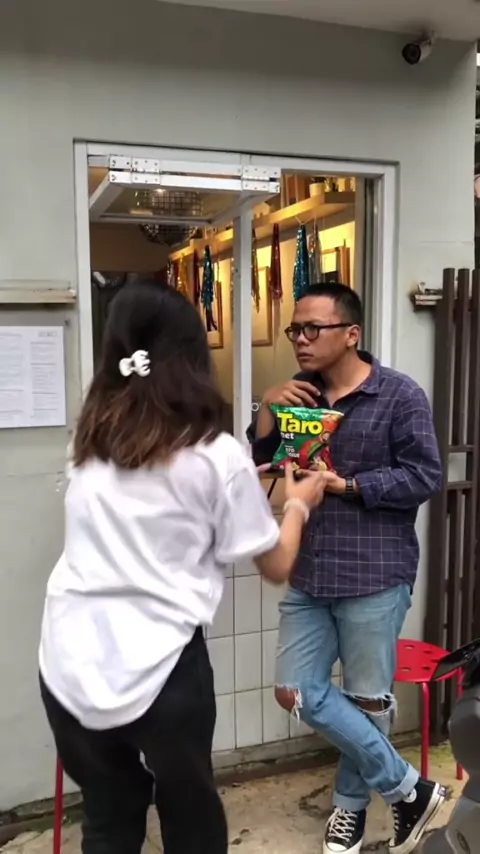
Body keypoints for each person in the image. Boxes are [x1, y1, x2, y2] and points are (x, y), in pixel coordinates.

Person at [38, 278, 327, 854]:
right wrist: (297, 504)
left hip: (67, 661)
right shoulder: (215, 453)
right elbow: (276, 564)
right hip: (163, 665)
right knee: (191, 819)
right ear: (193, 354)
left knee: (109, 815)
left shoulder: (89, 439)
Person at [250, 283, 445, 854]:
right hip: (310, 570)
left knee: (367, 700)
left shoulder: (399, 395)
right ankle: (408, 789)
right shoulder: (298, 396)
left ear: (351, 334)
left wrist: (349, 485)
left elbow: (425, 476)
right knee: (294, 689)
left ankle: (349, 810)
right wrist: (267, 411)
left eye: (314, 328)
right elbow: (264, 465)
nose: (301, 339)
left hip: (375, 572)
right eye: (295, 329)